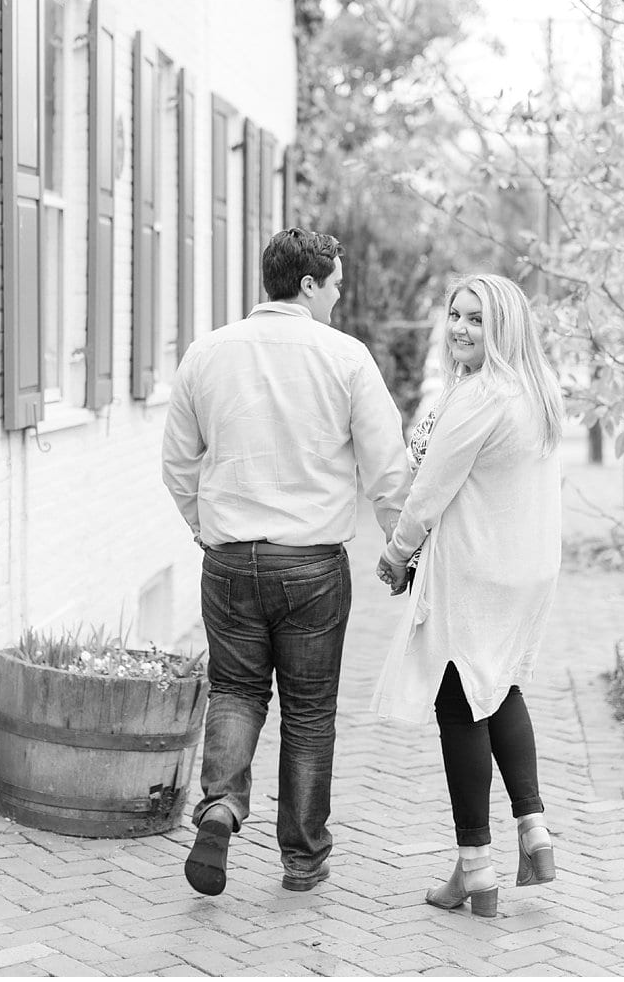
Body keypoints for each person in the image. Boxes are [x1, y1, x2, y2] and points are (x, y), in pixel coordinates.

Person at [162, 227, 411, 895]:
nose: (336, 295)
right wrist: (402, 547)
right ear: (307, 283)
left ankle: (219, 803)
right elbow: (387, 470)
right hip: (311, 566)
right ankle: (301, 859)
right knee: (307, 712)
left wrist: (202, 526)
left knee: (237, 690)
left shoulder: (206, 353)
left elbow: (176, 461)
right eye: (333, 283)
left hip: (228, 561)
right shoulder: (345, 357)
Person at [371, 273, 564, 919]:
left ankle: (477, 864)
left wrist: (395, 554)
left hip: (476, 569)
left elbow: (429, 491)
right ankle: (532, 829)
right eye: (454, 314)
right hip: (524, 567)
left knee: (459, 704)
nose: (459, 327)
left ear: (501, 326)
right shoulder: (534, 391)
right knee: (498, 685)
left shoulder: (481, 394)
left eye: (475, 319)